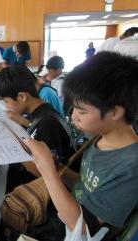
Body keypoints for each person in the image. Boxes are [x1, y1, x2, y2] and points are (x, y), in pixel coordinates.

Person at [24, 52, 138, 241]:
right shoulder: (102, 138)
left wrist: (47, 170)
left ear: (115, 111)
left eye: (82, 111)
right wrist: (58, 168)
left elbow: (84, 227)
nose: (74, 116)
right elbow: (87, 187)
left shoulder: (131, 166)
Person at [0, 65, 74, 190]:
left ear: (22, 97)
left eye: (6, 102)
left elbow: (49, 174)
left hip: (38, 189)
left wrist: (14, 152)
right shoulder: (40, 112)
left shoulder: (48, 123)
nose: (6, 107)